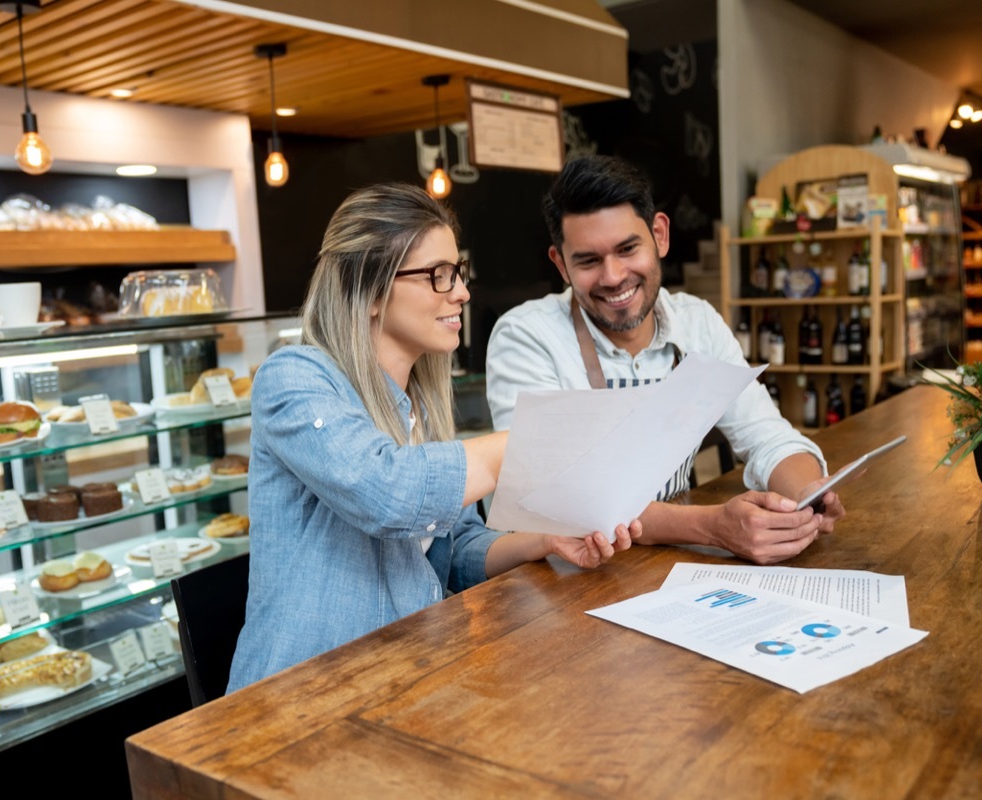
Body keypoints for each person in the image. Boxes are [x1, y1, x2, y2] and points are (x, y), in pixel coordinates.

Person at [227, 183, 636, 690]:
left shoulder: (420, 406)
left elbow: (455, 550)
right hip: (300, 696)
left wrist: (544, 541)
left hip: (404, 674)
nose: (462, 292)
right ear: (369, 290)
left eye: (458, 272)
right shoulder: (295, 378)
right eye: (438, 276)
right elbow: (386, 493)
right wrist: (532, 442)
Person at [486, 155, 844, 566]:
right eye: (588, 260)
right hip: (558, 581)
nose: (613, 276)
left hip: (663, 567)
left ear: (659, 234)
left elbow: (767, 435)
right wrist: (712, 527)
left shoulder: (698, 324)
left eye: (627, 249)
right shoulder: (527, 337)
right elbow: (559, 498)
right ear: (560, 265)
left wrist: (805, 499)